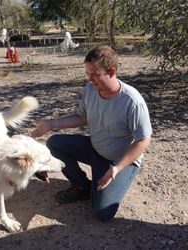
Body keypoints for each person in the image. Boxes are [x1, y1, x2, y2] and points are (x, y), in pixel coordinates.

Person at [31, 46, 152, 222]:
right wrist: (51, 124)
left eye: (95, 74)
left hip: (118, 160)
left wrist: (117, 168)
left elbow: (143, 140)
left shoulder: (132, 101)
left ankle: (110, 178)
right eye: (87, 74)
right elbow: (82, 117)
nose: (90, 79)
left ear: (111, 71)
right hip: (95, 149)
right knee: (55, 143)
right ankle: (82, 186)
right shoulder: (90, 89)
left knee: (102, 213)